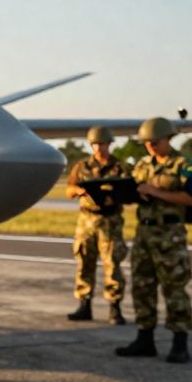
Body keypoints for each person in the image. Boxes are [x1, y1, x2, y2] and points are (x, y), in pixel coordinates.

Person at [115, 117, 192, 363]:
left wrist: (156, 192)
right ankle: (145, 339)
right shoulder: (142, 165)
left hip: (170, 235)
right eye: (146, 143)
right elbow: (135, 191)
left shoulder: (185, 165)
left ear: (168, 139)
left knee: (174, 287)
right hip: (144, 233)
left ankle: (179, 342)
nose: (150, 146)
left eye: (155, 142)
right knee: (142, 286)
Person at [63, 125, 129, 323]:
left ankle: (114, 308)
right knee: (84, 262)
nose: (99, 148)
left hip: (111, 221)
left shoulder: (120, 167)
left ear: (110, 144)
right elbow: (69, 190)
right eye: (95, 144)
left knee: (112, 264)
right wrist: (81, 191)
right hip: (86, 221)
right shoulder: (82, 166)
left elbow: (129, 190)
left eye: (102, 143)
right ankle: (85, 305)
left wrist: (113, 195)